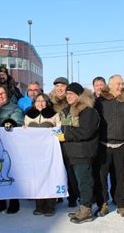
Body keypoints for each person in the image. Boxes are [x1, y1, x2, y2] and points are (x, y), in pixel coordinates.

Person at [94, 74, 124, 217]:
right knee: (101, 177)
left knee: (121, 176)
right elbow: (95, 122)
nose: (121, 86)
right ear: (110, 85)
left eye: (122, 83)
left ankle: (121, 204)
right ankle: (103, 204)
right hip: (103, 145)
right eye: (118, 83)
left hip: (123, 145)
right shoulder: (100, 101)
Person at [57, 82, 99, 224]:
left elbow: (86, 131)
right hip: (70, 153)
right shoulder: (67, 110)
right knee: (76, 183)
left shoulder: (88, 111)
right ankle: (82, 207)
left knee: (84, 182)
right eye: (67, 94)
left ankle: (86, 209)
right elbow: (65, 128)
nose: (68, 96)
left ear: (79, 95)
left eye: (71, 94)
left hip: (82, 152)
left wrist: (66, 136)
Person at [24, 93, 59, 217]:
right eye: (38, 101)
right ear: (34, 103)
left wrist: (57, 135)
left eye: (43, 101)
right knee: (36, 177)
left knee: (50, 177)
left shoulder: (54, 115)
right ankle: (39, 205)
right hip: (34, 153)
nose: (41, 103)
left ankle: (50, 205)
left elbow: (59, 130)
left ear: (47, 102)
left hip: (49, 152)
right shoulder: (28, 116)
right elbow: (25, 131)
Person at [0, 85, 24, 214]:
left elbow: (18, 122)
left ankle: (14, 201)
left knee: (10, 172)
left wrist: (10, 123)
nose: (0, 96)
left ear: (8, 95)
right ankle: (0, 201)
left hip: (10, 145)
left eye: (2, 93)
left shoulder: (14, 108)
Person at [48, 76, 78, 207]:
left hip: (67, 140)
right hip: (52, 142)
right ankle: (56, 196)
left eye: (62, 86)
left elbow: (73, 121)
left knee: (70, 170)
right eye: (57, 86)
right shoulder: (49, 101)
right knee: (54, 170)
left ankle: (73, 196)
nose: (59, 88)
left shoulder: (71, 101)